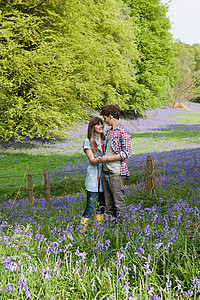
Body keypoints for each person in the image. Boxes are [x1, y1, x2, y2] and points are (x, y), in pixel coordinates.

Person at [99, 105, 132, 220]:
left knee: (119, 205)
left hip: (116, 173)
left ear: (110, 116)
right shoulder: (108, 132)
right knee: (109, 207)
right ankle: (112, 232)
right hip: (106, 173)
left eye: (105, 118)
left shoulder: (123, 132)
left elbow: (126, 153)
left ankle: (123, 231)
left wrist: (107, 158)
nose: (104, 121)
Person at [80, 117, 105, 232]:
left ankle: (97, 231)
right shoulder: (88, 141)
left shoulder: (106, 139)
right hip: (93, 179)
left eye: (102, 124)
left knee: (102, 207)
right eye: (98, 124)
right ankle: (81, 231)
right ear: (92, 127)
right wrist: (105, 158)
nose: (101, 126)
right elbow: (92, 160)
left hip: (105, 178)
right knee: (90, 207)